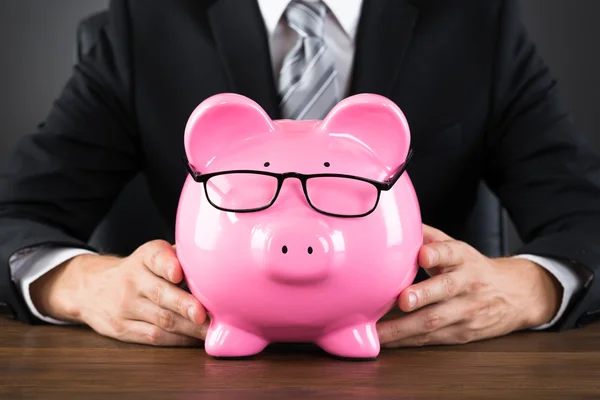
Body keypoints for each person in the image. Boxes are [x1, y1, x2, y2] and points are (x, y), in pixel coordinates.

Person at [1, 0, 599, 348]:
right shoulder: (146, 23)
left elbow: (586, 216)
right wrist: (77, 284)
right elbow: (15, 214)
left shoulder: (477, 24)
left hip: (413, 364)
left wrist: (533, 288)